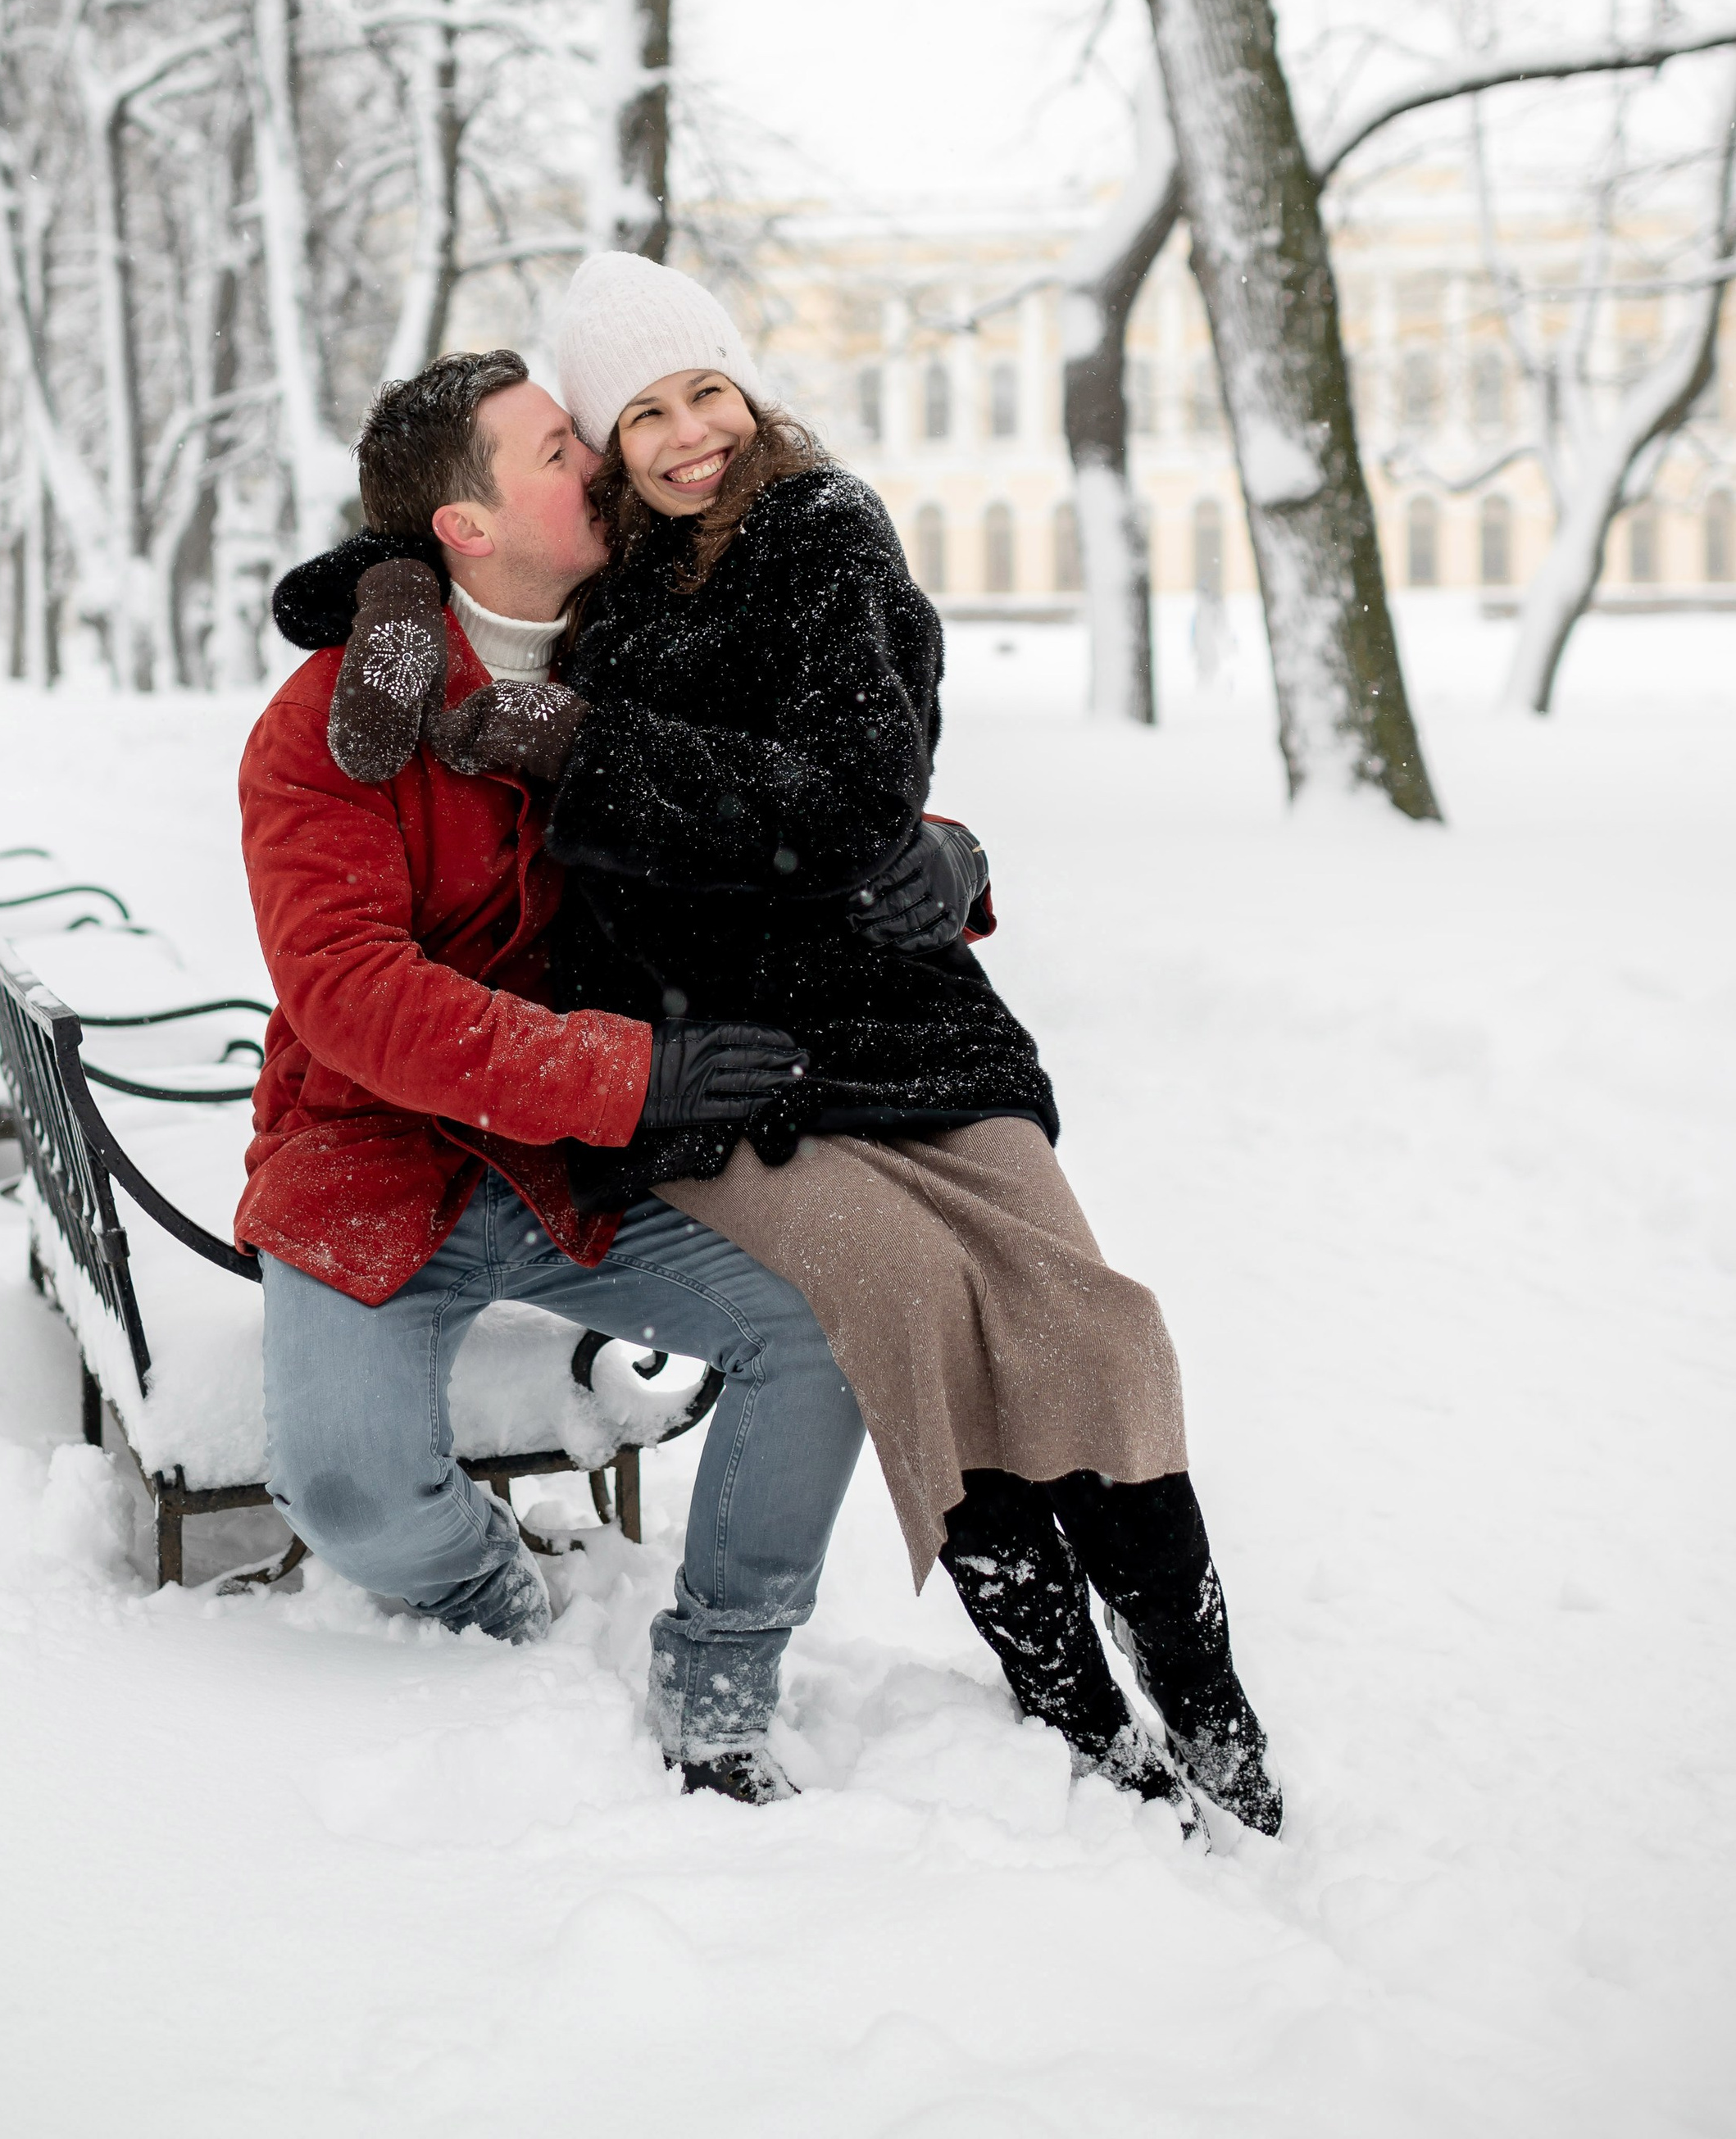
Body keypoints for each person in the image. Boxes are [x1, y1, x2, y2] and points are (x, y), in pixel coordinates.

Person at [331, 264, 1282, 1836]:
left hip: (900, 1026)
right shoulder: (602, 593)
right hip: (734, 1067)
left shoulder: (822, 535)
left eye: (706, 390)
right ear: (600, 448)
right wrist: (371, 597)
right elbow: (423, 539)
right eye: (637, 415)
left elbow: (844, 797)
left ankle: (1213, 1714)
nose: (689, 435)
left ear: (747, 387)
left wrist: (930, 850)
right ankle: (1074, 1716)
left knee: (1090, 1326)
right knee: (912, 1309)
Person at [237, 349, 866, 1806]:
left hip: (574, 1172)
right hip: (376, 1159)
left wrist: (929, 858)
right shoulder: (334, 719)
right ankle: (506, 1606)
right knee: (349, 1499)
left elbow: (791, 792)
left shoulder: (650, 645)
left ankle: (721, 1680)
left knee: (828, 1319)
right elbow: (351, 996)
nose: (595, 457)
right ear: (464, 524)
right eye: (548, 449)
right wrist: (628, 1072)